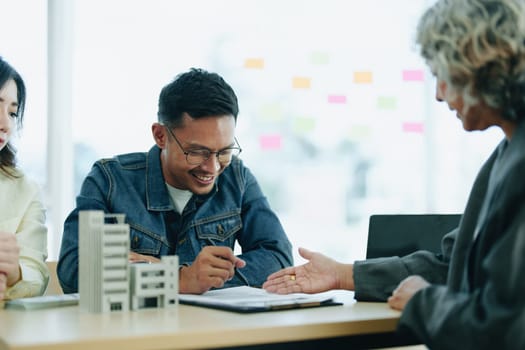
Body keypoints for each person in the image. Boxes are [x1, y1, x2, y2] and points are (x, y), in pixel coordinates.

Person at [264, 0, 525, 347]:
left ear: (477, 68)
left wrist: (424, 302)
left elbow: (503, 329)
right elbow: (452, 267)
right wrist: (344, 274)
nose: (438, 94)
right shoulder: (506, 154)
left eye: (441, 76)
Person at [58, 68, 293, 295]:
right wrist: (177, 278)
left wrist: (181, 275)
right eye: (197, 152)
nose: (213, 167)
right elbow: (76, 271)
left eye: (224, 151)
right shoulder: (110, 181)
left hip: (213, 332)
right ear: (161, 136)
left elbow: (278, 260)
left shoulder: (237, 178)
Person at [0, 56, 49, 300]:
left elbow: (37, 275)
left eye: (12, 112)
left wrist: (14, 273)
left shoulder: (25, 190)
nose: (4, 124)